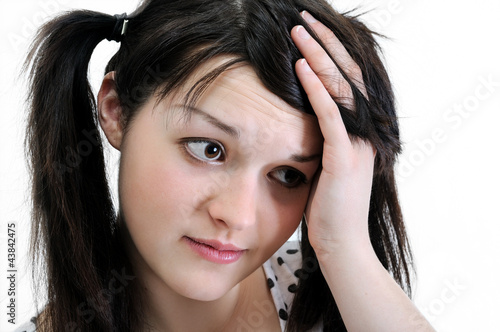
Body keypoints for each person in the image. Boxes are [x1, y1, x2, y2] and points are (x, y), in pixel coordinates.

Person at [17, 0, 435, 331]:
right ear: (115, 110)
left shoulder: (342, 296)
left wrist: (346, 251)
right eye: (208, 149)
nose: (237, 215)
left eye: (288, 175)